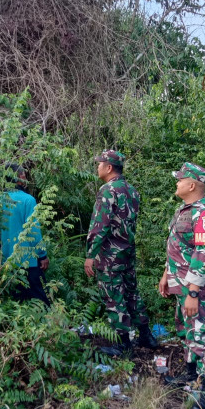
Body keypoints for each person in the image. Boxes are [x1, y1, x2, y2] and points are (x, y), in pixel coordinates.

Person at [158, 162, 205, 409]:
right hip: (179, 283)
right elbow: (176, 246)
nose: (177, 182)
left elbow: (203, 252)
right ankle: (190, 375)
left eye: (180, 179)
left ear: (192, 185)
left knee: (203, 335)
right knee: (186, 331)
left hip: (195, 289)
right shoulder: (184, 210)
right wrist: (166, 275)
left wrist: (193, 292)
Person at [85, 150, 158, 356]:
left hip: (109, 255)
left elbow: (100, 226)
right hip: (127, 252)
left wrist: (91, 254)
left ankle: (124, 344)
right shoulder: (132, 190)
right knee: (132, 292)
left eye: (99, 164)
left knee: (113, 296)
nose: (97, 168)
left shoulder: (108, 190)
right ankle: (146, 335)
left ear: (109, 167)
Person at [0, 164, 50, 305]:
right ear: (20, 178)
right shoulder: (28, 200)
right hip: (29, 262)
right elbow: (33, 231)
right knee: (41, 302)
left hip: (6, 263)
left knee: (16, 302)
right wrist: (42, 255)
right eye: (24, 176)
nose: (26, 179)